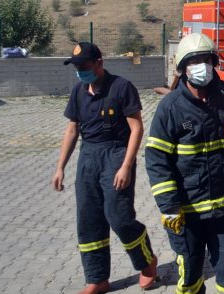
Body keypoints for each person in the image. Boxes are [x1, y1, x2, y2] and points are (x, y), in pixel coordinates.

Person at [145, 33, 224, 294]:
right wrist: (169, 207)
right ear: (183, 68)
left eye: (206, 60)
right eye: (195, 61)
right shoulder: (170, 108)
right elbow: (157, 161)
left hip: (222, 209)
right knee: (190, 280)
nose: (202, 66)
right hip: (187, 213)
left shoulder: (221, 102)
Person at [51, 42, 157, 294]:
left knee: (119, 217)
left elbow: (136, 128)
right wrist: (60, 167)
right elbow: (72, 129)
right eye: (76, 67)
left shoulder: (122, 87)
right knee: (88, 221)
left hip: (115, 155)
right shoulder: (78, 91)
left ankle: (147, 262)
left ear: (99, 63)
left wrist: (126, 166)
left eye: (84, 66)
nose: (80, 71)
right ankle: (97, 279)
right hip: (88, 158)